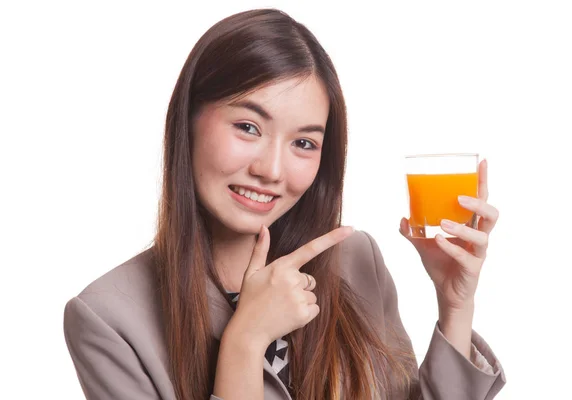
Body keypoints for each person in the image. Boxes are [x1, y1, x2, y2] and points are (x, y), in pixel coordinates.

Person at [63, 8, 506, 400]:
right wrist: (245, 342)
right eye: (249, 127)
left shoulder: (354, 262)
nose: (272, 170)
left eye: (303, 142)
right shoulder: (109, 319)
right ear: (189, 120)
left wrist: (455, 307)